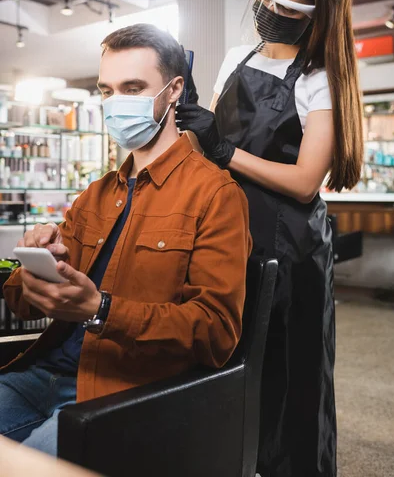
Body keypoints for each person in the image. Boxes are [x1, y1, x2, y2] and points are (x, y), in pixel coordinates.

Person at [0, 24, 251, 457]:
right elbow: (23, 303)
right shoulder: (95, 195)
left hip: (123, 390)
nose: (116, 103)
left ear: (173, 91)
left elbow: (216, 333)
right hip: (44, 374)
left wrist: (101, 311)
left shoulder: (216, 195)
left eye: (132, 88)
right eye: (107, 90)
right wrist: (33, 269)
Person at [176, 0, 363, 477]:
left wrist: (226, 151)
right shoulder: (239, 60)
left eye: (285, 10)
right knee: (229, 360)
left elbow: (306, 183)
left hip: (290, 245)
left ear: (313, 17)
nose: (269, 14)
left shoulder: (319, 78)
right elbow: (204, 150)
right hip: (229, 231)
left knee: (289, 372)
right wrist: (188, 123)